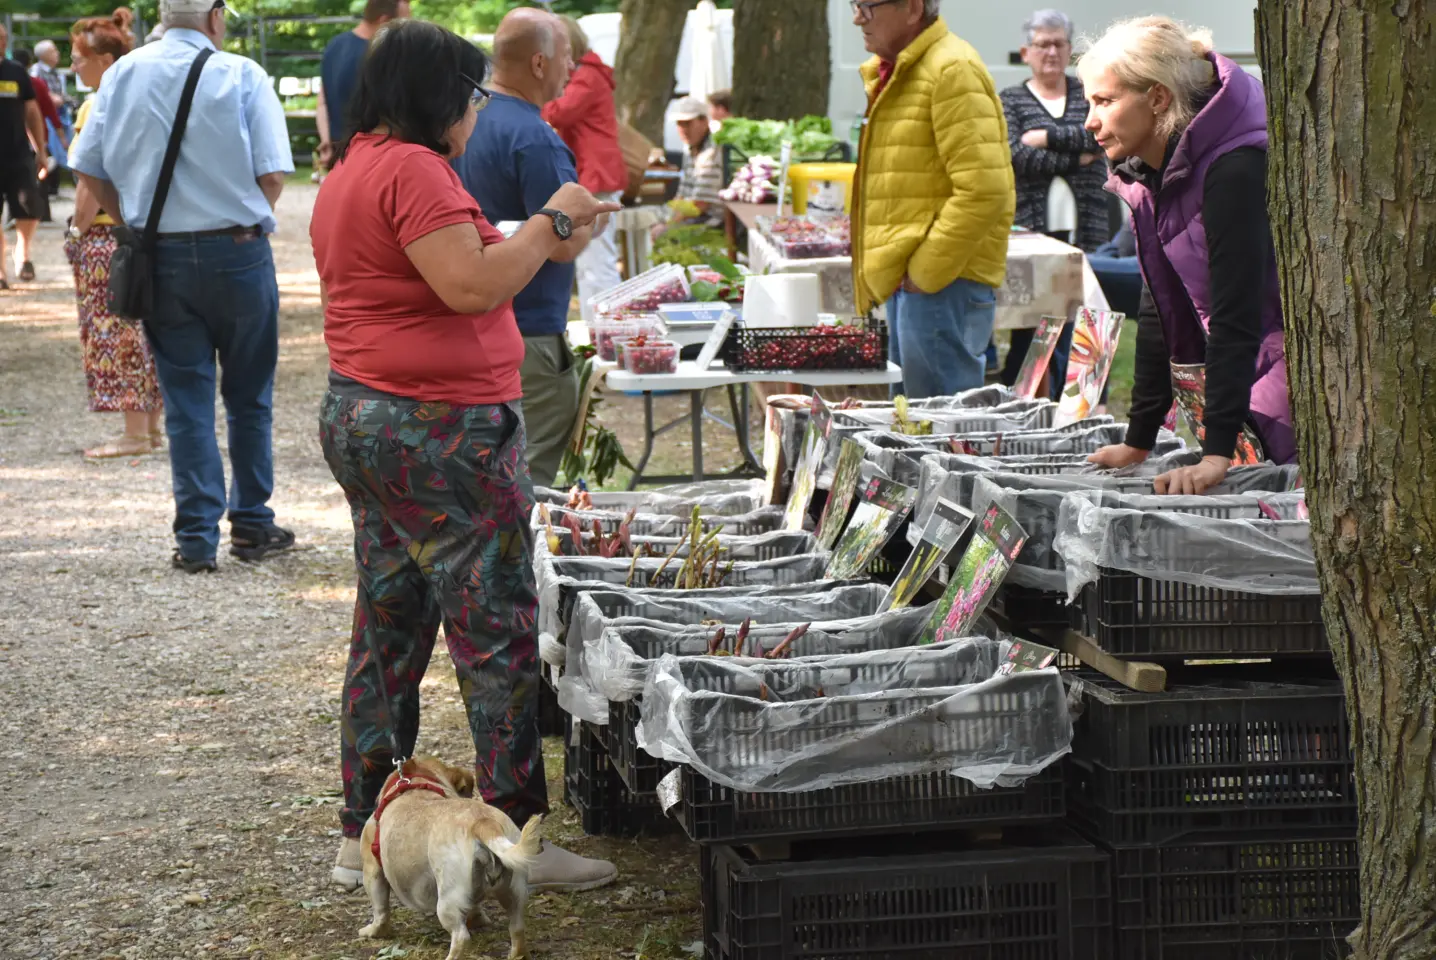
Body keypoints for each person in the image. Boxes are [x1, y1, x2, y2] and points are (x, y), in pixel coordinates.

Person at [309, 18, 622, 894]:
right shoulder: (413, 168)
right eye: (473, 93)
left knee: (387, 627)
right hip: (441, 436)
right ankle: (519, 835)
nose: (478, 111)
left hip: (370, 422)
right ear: (441, 95)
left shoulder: (354, 167)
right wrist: (554, 218)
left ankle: (363, 828)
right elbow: (473, 284)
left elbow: (447, 268)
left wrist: (523, 235)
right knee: (496, 637)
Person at [68, 0, 298, 573]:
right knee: (249, 397)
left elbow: (89, 167)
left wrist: (131, 223)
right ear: (216, 18)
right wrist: (238, 222)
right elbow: (273, 172)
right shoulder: (243, 74)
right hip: (239, 254)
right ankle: (251, 523)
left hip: (160, 257)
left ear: (164, 19)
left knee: (186, 402)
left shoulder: (121, 74)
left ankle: (196, 540)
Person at [1079, 16, 1296, 493]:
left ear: (1158, 98)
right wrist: (1139, 438)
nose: (1089, 121)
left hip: (1288, 388)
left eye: (1105, 101)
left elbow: (1236, 313)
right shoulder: (1149, 174)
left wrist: (1217, 452)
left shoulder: (1235, 168)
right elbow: (1160, 305)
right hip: (1245, 389)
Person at [455, 9, 599, 488]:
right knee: (526, 478)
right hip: (531, 333)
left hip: (470, 324)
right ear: (540, 64)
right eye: (567, 59)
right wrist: (591, 221)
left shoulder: (464, 121)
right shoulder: (536, 139)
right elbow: (560, 243)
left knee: (482, 471)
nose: (572, 70)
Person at [851, 0, 1015, 399]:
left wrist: (925, 273)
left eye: (866, 7)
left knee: (941, 428)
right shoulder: (909, 68)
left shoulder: (950, 68)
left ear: (911, 8)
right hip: (919, 279)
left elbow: (985, 190)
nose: (857, 18)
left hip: (941, 282)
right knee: (914, 419)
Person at [65, 16, 164, 459]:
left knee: (115, 333)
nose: (72, 66)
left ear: (105, 60)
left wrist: (75, 230)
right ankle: (151, 428)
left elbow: (89, 180)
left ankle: (134, 433)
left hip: (107, 237)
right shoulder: (141, 98)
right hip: (144, 231)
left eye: (78, 58)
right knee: (143, 329)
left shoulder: (95, 106)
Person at [999, 9, 1108, 397]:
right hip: (1032, 228)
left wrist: (1045, 136)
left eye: (1059, 43)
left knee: (1086, 316)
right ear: (1026, 51)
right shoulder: (1010, 100)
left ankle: (1084, 400)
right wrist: (1075, 157)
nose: (1051, 52)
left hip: (1088, 224)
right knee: (1033, 321)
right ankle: (1023, 398)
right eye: (1042, 44)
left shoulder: (1087, 94)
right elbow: (1015, 155)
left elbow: (1099, 136)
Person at [542, 15, 627, 327]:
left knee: (596, 260)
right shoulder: (590, 73)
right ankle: (603, 328)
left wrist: (529, 98)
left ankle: (605, 332)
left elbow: (560, 111)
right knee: (594, 259)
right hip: (595, 172)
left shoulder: (587, 76)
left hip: (596, 174)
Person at [316, 0, 410, 173]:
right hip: (371, 157)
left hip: (338, 153)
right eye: (403, 22)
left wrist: (326, 141)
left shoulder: (334, 46)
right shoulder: (379, 55)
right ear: (384, 20)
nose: (406, 29)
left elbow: (322, 101)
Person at [0, 21, 49, 288]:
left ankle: (23, 252)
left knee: (29, 207)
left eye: (4, 38)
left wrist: (40, 150)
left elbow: (32, 113)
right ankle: (1, 272)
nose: (3, 43)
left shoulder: (16, 72)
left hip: (18, 154)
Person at [656, 95, 724, 234]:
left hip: (710, 223)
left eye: (687, 123)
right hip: (692, 217)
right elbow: (681, 195)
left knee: (660, 233)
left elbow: (700, 205)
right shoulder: (690, 150)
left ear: (704, 121)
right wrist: (665, 219)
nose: (683, 129)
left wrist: (668, 224)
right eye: (679, 123)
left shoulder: (712, 152)